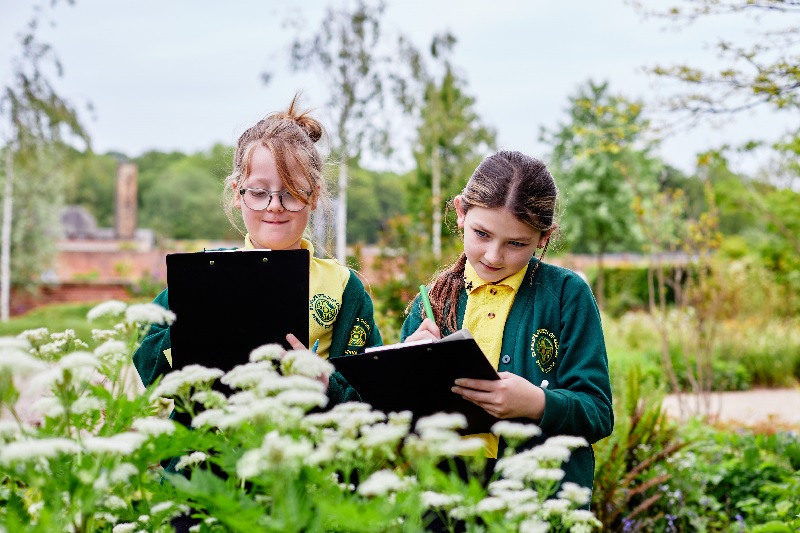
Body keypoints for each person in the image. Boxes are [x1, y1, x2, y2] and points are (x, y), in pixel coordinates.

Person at [132, 94, 381, 466]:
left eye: (292, 192)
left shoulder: (344, 288)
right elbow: (148, 361)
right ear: (237, 194)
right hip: (205, 468)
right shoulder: (203, 275)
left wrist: (324, 385)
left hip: (306, 470)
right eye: (260, 192)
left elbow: (370, 400)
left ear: (314, 196)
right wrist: (192, 331)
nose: (275, 206)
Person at [401, 150, 613, 496]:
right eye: (481, 234)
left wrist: (538, 404)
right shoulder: (433, 303)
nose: (493, 255)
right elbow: (401, 421)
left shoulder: (566, 295)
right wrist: (407, 368)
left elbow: (599, 412)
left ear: (544, 237)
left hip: (537, 499)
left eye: (516, 243)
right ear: (460, 213)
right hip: (446, 497)